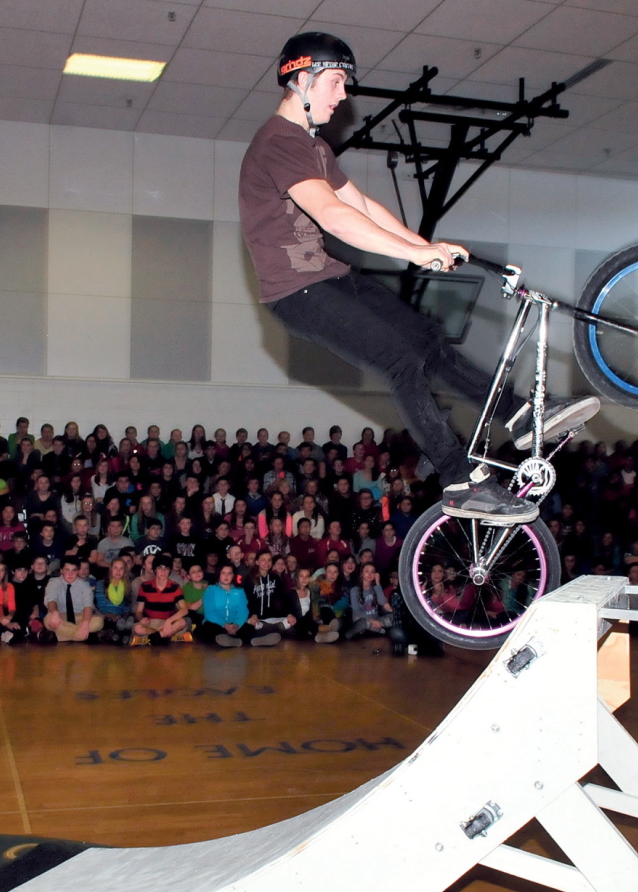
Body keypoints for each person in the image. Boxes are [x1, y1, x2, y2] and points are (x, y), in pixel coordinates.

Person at [239, 33, 597, 525]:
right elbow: (334, 218)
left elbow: (360, 205)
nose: (343, 95)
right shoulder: (279, 142)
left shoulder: (312, 146)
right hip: (297, 294)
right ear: (302, 79)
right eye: (337, 82)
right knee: (402, 361)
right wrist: (413, 253)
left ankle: (516, 415)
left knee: (428, 339)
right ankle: (457, 480)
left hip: (330, 278)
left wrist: (425, 246)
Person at [131, 554, 191, 645]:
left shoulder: (175, 586)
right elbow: (139, 611)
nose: (163, 571)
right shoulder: (145, 586)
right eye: (160, 568)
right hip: (151, 622)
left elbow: (184, 610)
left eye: (166, 568)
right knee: (137, 628)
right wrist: (141, 618)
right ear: (155, 570)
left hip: (168, 623)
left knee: (182, 622)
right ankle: (163, 636)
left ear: (170, 570)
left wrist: (169, 621)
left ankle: (155, 637)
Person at [42, 556, 104, 642]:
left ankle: (60, 636)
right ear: (61, 570)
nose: (70, 574)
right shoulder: (54, 582)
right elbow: (51, 599)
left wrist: (85, 624)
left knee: (99, 621)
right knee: (48, 620)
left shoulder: (84, 585)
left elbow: (88, 605)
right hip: (60, 616)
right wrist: (55, 613)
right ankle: (84, 636)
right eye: (67, 570)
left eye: (74, 570)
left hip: (80, 617)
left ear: (78, 571)